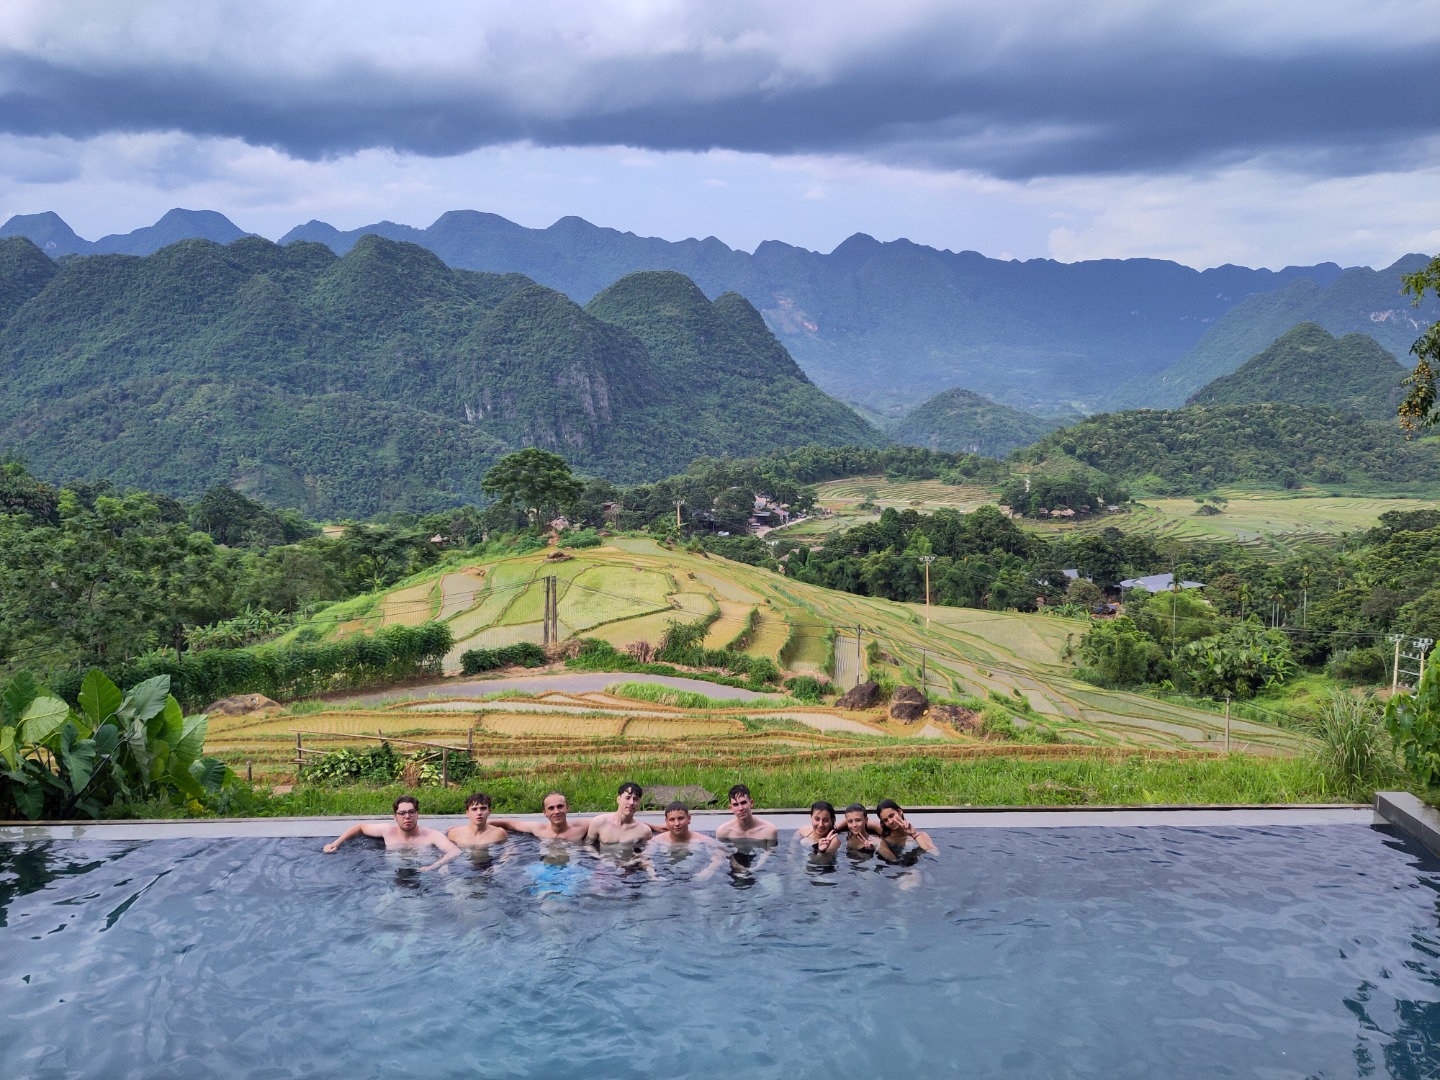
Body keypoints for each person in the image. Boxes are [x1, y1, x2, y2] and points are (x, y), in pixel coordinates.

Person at [322, 794, 461, 872]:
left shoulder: (431, 835)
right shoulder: (387, 831)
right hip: (392, 874)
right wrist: (335, 843)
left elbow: (454, 852)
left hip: (423, 875)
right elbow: (360, 827)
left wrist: (432, 867)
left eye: (411, 812)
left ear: (417, 814)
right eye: (402, 813)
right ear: (395, 816)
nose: (407, 816)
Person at [649, 802, 725, 880]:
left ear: (688, 819)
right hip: (666, 878)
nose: (677, 823)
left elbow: (719, 856)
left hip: (697, 878)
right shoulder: (657, 841)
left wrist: (708, 872)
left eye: (680, 818)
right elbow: (643, 858)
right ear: (666, 822)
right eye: (672, 820)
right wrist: (653, 874)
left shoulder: (703, 840)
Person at [491, 791, 592, 842]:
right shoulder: (539, 829)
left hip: (573, 870)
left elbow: (604, 820)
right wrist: (478, 824)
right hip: (546, 869)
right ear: (545, 813)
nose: (556, 811)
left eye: (560, 806)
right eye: (551, 808)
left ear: (567, 808)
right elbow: (509, 823)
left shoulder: (580, 827)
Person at [584, 780, 655, 852]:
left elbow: (646, 855)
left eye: (635, 799)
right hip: (604, 862)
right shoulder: (599, 822)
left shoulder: (644, 830)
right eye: (628, 798)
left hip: (630, 863)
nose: (631, 802)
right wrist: (598, 859)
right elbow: (587, 846)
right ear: (618, 799)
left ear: (639, 803)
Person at [714, 784, 779, 843]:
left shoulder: (769, 831)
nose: (740, 808)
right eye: (736, 805)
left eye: (743, 803)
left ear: (751, 803)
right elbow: (719, 854)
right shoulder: (723, 832)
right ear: (731, 808)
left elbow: (770, 854)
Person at [874, 798, 938, 857]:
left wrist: (914, 834)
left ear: (899, 812)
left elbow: (935, 853)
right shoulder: (884, 832)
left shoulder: (921, 835)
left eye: (891, 816)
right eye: (885, 820)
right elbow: (865, 821)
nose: (890, 822)